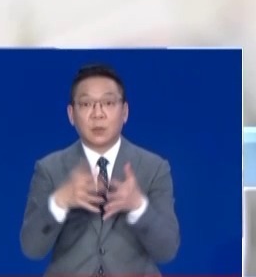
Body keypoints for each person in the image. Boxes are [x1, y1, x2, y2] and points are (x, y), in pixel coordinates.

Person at [20, 63, 181, 275]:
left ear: (125, 112)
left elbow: (167, 250)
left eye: (108, 102)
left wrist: (138, 206)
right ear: (71, 114)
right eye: (86, 104)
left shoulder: (154, 168)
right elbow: (32, 248)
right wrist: (60, 201)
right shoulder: (49, 168)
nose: (98, 114)